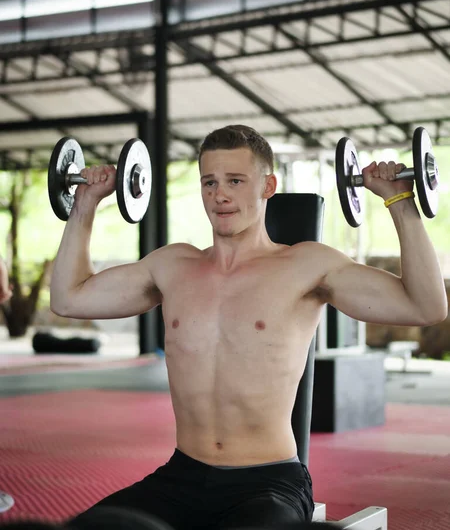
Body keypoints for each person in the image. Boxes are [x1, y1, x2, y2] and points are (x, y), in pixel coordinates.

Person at [50, 125, 447, 530]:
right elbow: (69, 299)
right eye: (210, 182)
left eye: (235, 181)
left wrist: (400, 201)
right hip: (181, 475)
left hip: (267, 482)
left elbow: (425, 306)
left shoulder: (306, 265)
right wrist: (84, 204)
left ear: (268, 185)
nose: (219, 195)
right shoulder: (172, 266)